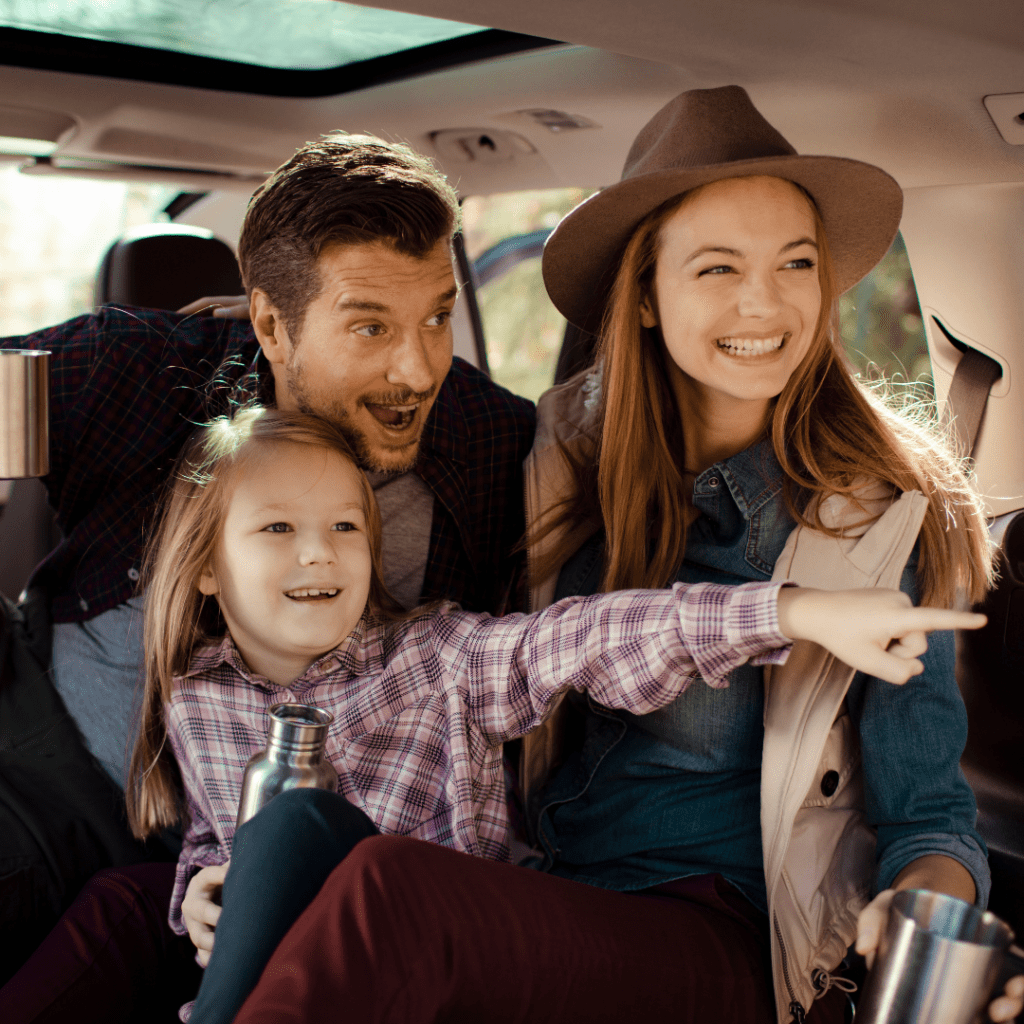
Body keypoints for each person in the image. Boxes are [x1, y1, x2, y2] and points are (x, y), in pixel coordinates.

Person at [212, 87, 1022, 1024]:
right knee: (295, 829)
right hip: (541, 882)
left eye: (796, 263)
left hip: (720, 934)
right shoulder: (558, 448)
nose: (766, 301)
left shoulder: (884, 523)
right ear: (643, 294)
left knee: (394, 891)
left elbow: (933, 819)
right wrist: (235, 328)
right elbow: (359, 385)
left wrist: (920, 906)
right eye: (718, 268)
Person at [141, 404, 987, 1024]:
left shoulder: (438, 657)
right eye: (279, 528)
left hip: (518, 937)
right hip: (371, 946)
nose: (318, 550)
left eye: (343, 527)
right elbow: (217, 837)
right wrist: (201, 889)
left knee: (381, 873)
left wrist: (789, 613)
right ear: (206, 568)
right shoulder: (199, 700)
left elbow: (579, 638)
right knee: (281, 832)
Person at [0, 134, 533, 1009]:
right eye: (371, 326)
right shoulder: (144, 370)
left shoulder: (482, 437)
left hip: (283, 846)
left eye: (438, 315)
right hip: (61, 775)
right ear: (273, 325)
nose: (420, 366)